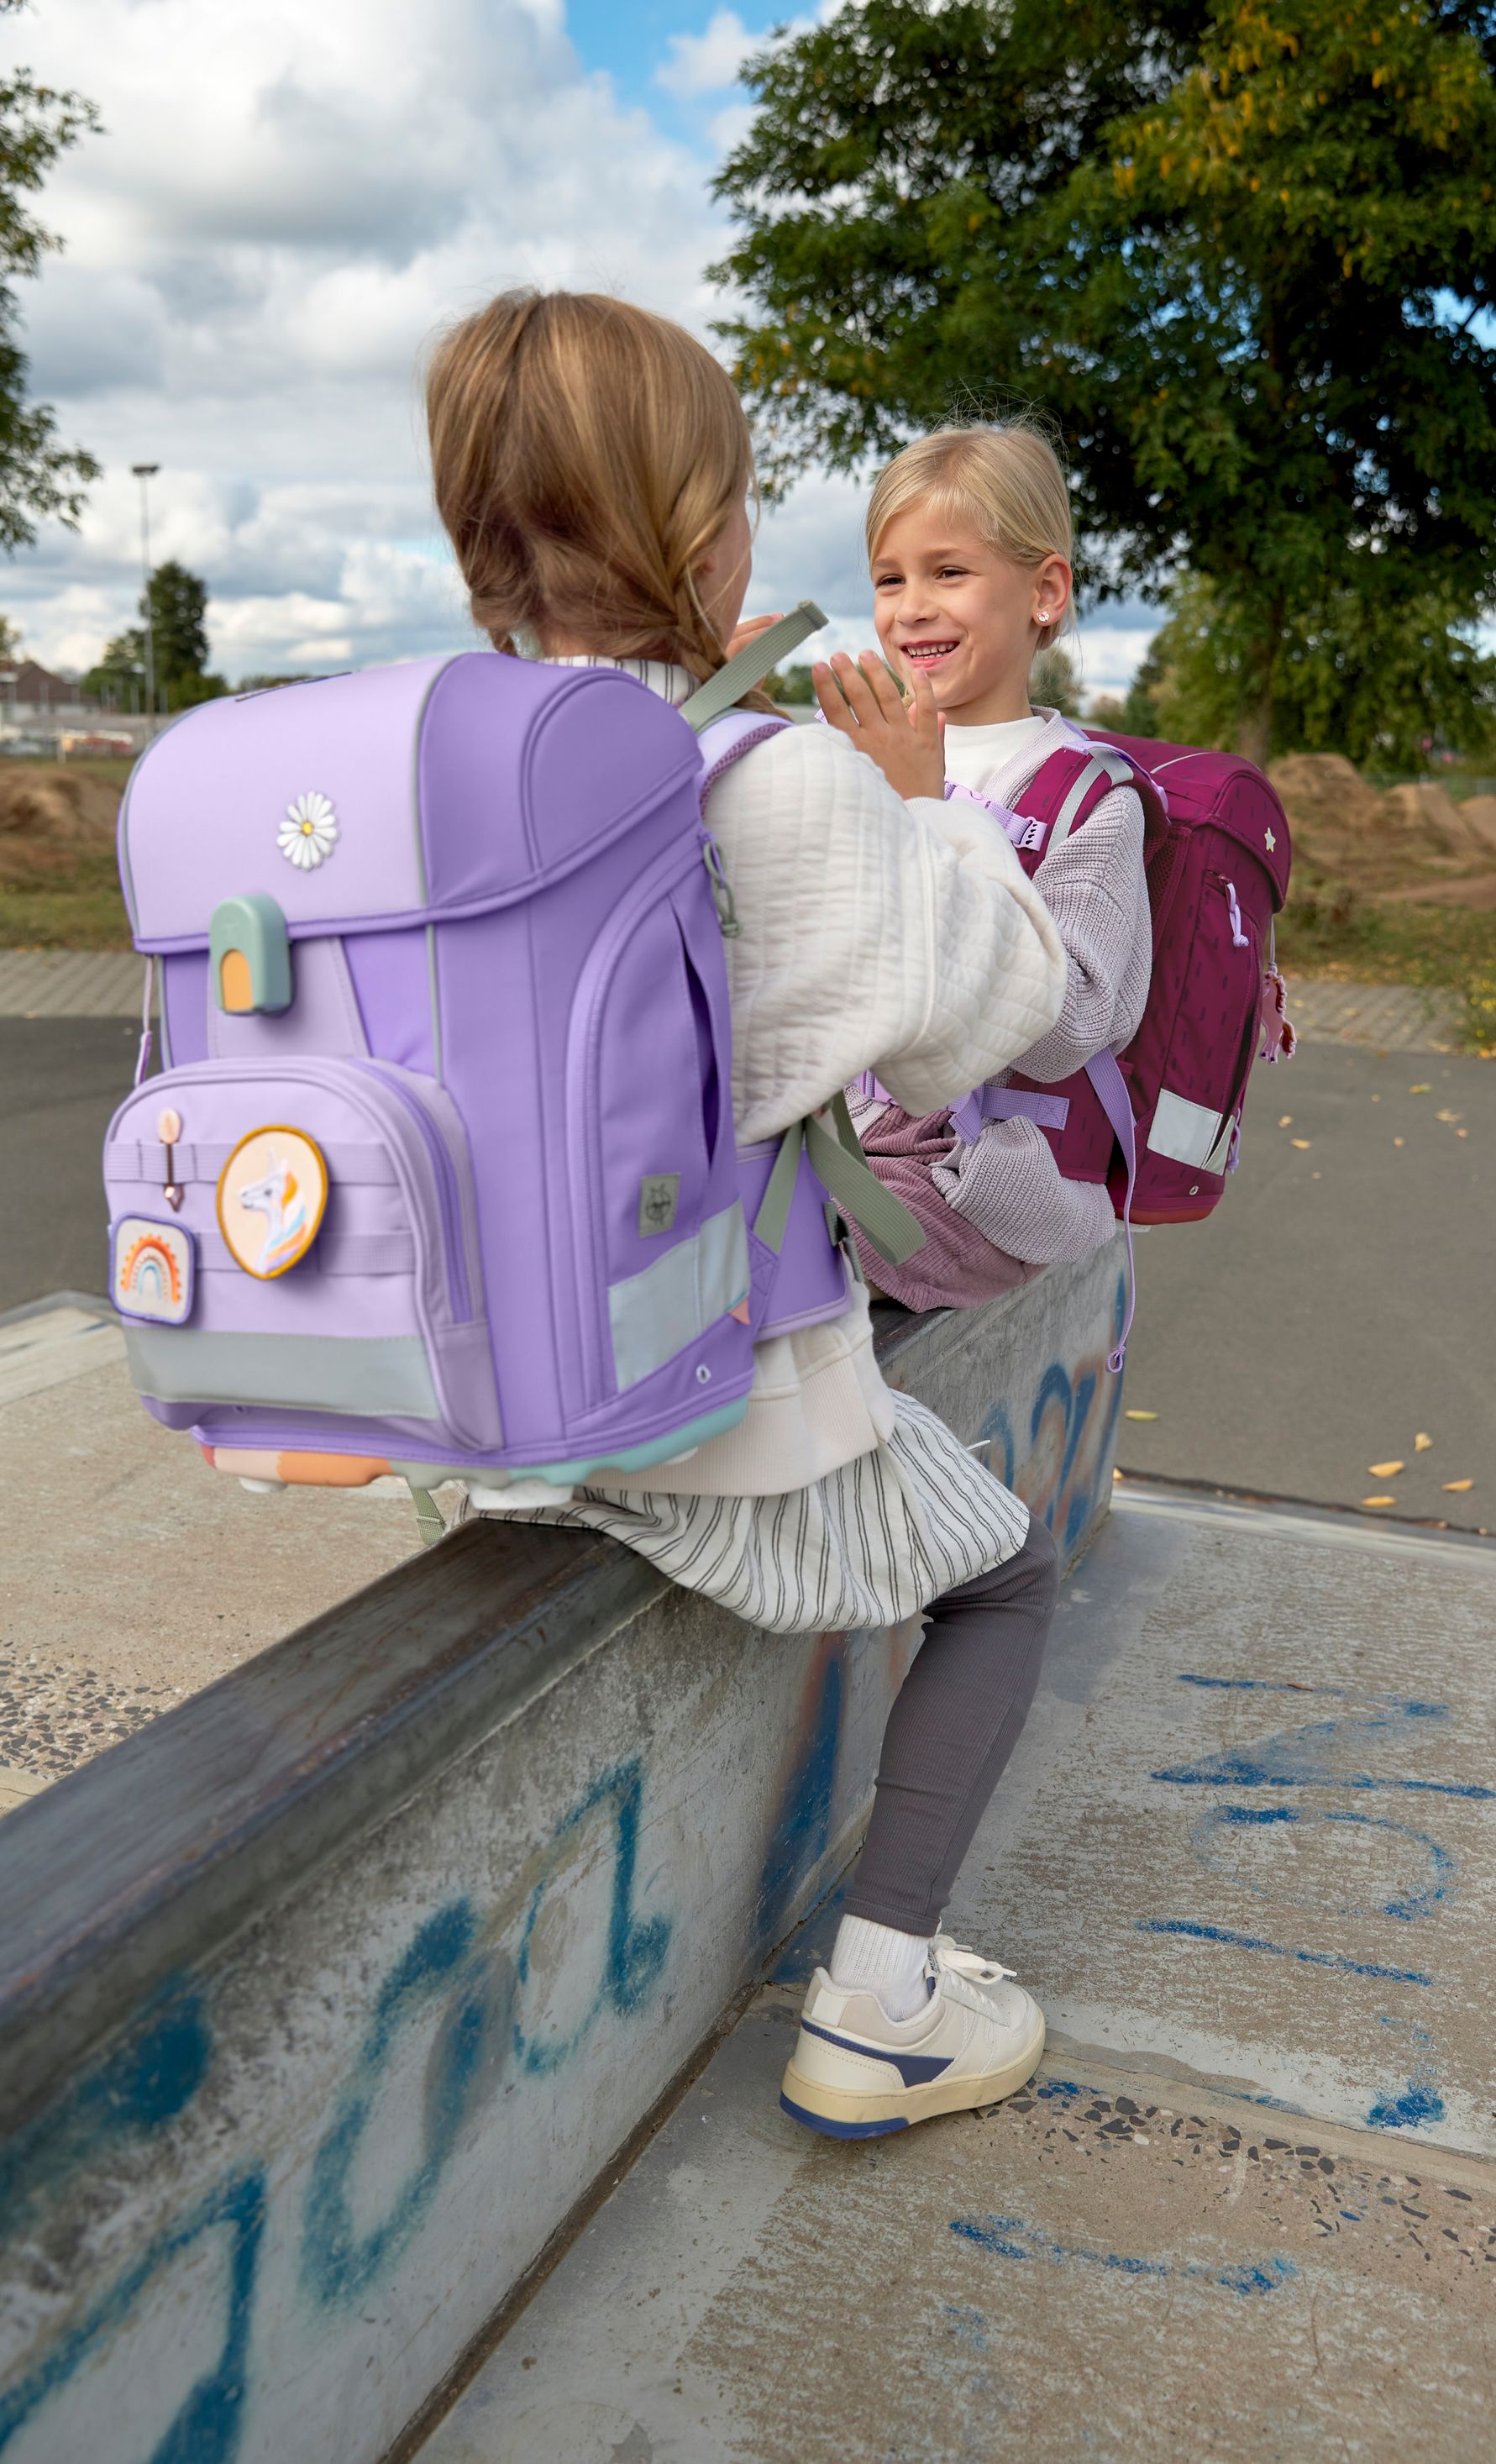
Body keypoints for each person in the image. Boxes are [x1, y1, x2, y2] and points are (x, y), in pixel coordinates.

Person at [426, 290, 1071, 2136]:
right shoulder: (756, 773)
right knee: (1008, 1575)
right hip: (689, 1409)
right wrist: (931, 808)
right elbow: (982, 1019)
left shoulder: (443, 761)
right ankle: (882, 2006)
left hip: (475, 1399)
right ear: (694, 534)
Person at [813, 427, 1152, 1310]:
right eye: (890, 579)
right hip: (838, 1135)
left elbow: (1067, 1020)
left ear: (1043, 591)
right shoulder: (850, 749)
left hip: (971, 1175)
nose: (910, 608)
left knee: (765, 1261)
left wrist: (927, 817)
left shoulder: (1087, 799)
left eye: (948, 573)